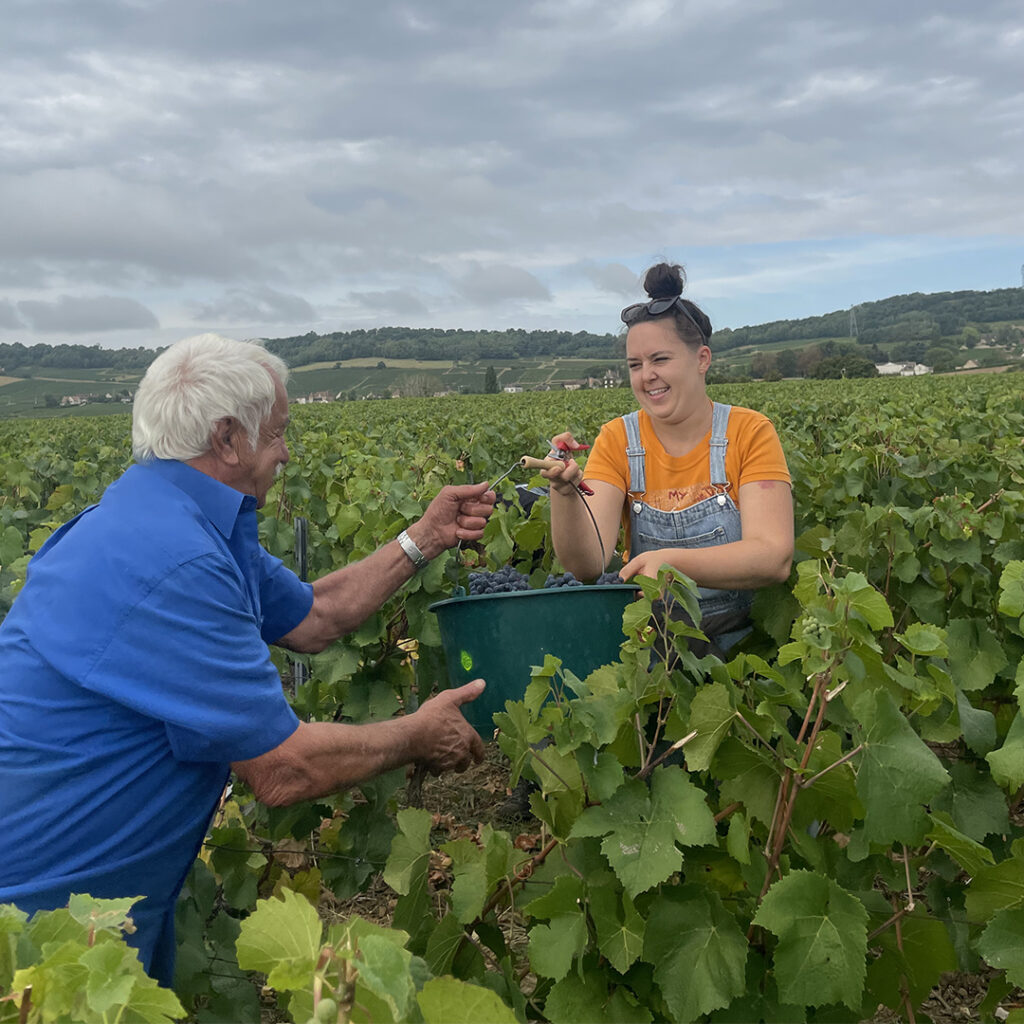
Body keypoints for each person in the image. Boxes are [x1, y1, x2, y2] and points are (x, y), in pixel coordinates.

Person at [0, 333, 495, 987]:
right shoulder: (173, 557)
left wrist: (425, 537)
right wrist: (417, 734)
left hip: (97, 917)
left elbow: (317, 618)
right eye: (278, 434)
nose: (286, 454)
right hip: (40, 932)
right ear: (228, 438)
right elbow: (282, 770)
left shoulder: (172, 517)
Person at [542, 262, 793, 654]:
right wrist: (564, 493)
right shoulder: (618, 439)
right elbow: (587, 564)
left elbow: (772, 557)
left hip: (746, 654)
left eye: (660, 360)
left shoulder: (749, 432)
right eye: (635, 365)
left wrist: (673, 561)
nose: (646, 377)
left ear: (702, 359)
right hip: (652, 650)